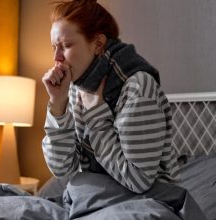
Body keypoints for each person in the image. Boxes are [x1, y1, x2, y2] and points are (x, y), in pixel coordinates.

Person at [41, 0, 181, 194]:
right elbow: (62, 168)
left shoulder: (138, 87)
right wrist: (58, 104)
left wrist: (96, 116)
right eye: (54, 47)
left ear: (98, 44)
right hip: (95, 199)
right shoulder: (77, 87)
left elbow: (139, 181)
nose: (57, 57)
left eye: (65, 46)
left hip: (150, 202)